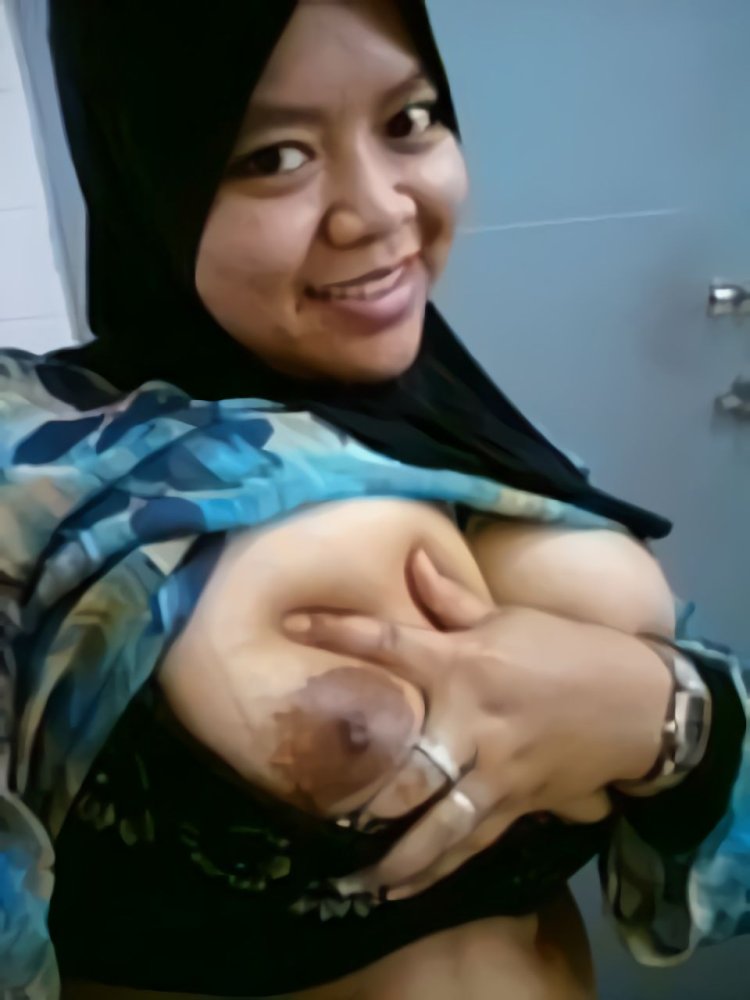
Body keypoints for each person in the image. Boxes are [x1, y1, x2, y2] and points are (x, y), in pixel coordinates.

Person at [1, 2, 747, 998]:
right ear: (149, 171)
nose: (379, 210)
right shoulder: (35, 463)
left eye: (408, 120)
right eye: (275, 156)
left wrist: (668, 716)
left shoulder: (478, 435)